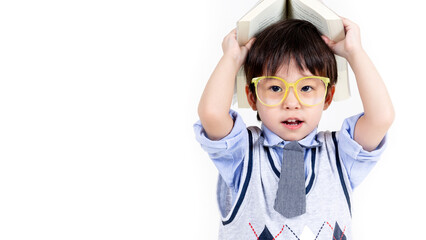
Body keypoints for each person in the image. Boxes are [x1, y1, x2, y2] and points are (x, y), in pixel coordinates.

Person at [194, 18, 394, 240]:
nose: (291, 102)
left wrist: (355, 52)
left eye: (306, 87)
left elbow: (381, 118)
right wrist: (231, 59)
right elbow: (212, 114)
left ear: (327, 96)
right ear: (253, 97)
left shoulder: (339, 155)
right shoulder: (242, 154)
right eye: (276, 87)